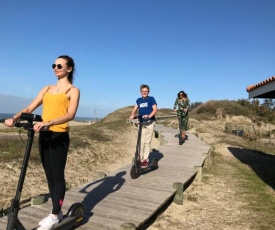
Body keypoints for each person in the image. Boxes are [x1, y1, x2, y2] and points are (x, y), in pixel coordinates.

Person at [5, 55, 80, 230]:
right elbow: (30, 108)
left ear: (69, 69)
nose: (55, 67)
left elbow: (71, 115)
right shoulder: (46, 88)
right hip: (44, 135)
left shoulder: (73, 90)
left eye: (59, 65)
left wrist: (50, 122)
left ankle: (54, 215)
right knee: (49, 174)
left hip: (59, 135)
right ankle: (57, 212)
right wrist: (14, 117)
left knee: (57, 174)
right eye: (54, 65)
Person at [130, 84, 158, 168]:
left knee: (147, 141)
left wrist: (149, 116)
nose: (144, 92)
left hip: (150, 122)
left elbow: (155, 109)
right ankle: (140, 158)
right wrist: (132, 114)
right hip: (141, 122)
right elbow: (134, 109)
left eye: (146, 91)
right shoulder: (138, 100)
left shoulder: (151, 99)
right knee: (141, 141)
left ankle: (145, 159)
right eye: (143, 91)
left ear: (148, 92)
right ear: (140, 92)